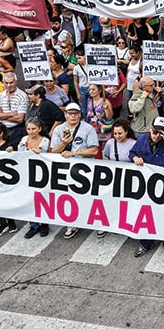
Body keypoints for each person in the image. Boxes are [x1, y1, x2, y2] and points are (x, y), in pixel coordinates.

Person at [129, 117, 164, 256]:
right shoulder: (142, 140)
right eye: (154, 131)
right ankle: (145, 242)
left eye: (161, 132)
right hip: (146, 186)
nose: (156, 135)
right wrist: (135, 158)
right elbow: (132, 153)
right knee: (146, 213)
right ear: (150, 129)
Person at [51, 102, 100, 239]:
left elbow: (94, 150)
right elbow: (52, 151)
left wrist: (73, 154)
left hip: (85, 169)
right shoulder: (59, 130)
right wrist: (64, 143)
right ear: (65, 115)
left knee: (89, 196)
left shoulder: (88, 128)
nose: (73, 116)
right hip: (65, 169)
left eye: (76, 113)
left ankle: (97, 223)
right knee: (70, 197)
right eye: (70, 113)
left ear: (80, 115)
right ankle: (73, 223)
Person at [0, 72, 29, 146]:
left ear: (15, 82)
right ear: (3, 83)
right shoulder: (0, 96)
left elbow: (20, 119)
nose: (9, 85)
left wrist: (1, 115)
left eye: (11, 82)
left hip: (17, 129)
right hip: (2, 129)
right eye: (6, 83)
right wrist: (11, 114)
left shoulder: (22, 96)